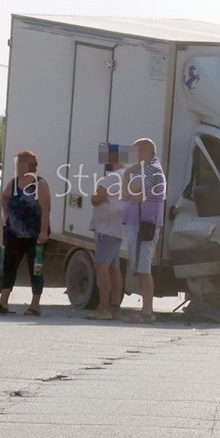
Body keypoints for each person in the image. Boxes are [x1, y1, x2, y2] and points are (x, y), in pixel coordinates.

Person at [0, 151, 51, 316]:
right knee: (9, 265)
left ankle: (35, 305)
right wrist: (7, 216)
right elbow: (4, 197)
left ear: (29, 165)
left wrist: (43, 232)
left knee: (35, 269)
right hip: (14, 234)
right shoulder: (14, 183)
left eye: (20, 163)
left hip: (35, 235)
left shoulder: (39, 184)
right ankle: (3, 301)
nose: (17, 166)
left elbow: (45, 210)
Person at [121, 138, 166, 323]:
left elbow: (125, 195)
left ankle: (147, 311)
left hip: (143, 225)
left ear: (145, 153)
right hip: (145, 224)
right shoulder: (152, 169)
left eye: (136, 152)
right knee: (141, 267)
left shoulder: (148, 171)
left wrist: (126, 174)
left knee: (143, 268)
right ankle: (146, 309)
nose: (134, 156)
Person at [86, 160, 126, 320]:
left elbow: (96, 199)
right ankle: (115, 306)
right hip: (117, 227)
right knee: (114, 267)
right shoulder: (126, 175)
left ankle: (103, 308)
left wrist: (96, 196)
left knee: (101, 266)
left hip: (106, 228)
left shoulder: (112, 177)